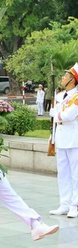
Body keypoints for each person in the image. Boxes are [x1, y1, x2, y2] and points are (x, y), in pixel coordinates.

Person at [49, 63, 78, 218]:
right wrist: (52, 137)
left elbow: (69, 115)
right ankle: (64, 203)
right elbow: (55, 118)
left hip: (74, 139)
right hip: (60, 136)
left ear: (72, 80)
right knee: (63, 173)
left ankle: (75, 205)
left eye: (65, 75)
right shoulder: (60, 96)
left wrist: (56, 114)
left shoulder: (77, 96)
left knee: (75, 173)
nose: (62, 78)